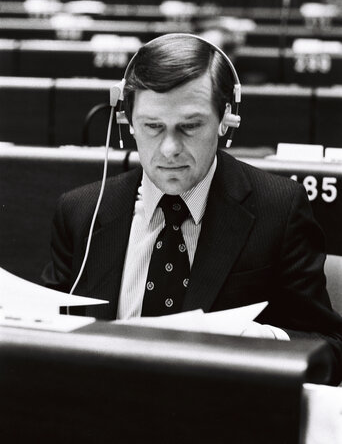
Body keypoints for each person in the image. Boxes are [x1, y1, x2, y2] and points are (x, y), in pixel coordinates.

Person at [42, 33, 342, 385]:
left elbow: (330, 349)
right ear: (127, 124)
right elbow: (45, 333)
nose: (169, 149)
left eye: (190, 126)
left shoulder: (279, 208)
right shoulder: (81, 212)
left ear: (225, 121)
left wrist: (266, 342)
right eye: (153, 127)